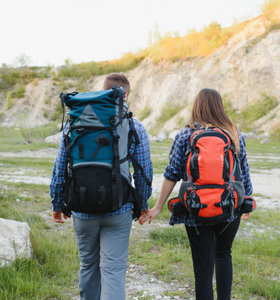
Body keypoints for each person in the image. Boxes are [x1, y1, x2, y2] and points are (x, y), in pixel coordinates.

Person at [141, 88, 252, 300]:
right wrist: (246, 201)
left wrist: (158, 207)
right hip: (229, 207)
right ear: (220, 107)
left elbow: (172, 173)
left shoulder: (185, 134)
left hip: (196, 208)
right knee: (223, 254)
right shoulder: (234, 133)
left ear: (196, 106)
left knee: (202, 266)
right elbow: (243, 172)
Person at [50, 73, 152, 300]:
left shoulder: (75, 123)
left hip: (82, 208)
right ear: (125, 95)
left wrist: (57, 203)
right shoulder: (133, 125)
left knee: (88, 265)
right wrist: (143, 205)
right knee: (113, 270)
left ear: (105, 92)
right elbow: (144, 171)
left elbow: (60, 167)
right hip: (120, 208)